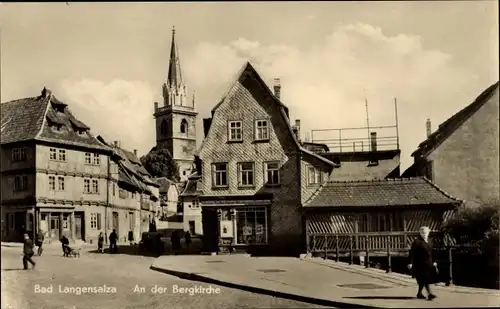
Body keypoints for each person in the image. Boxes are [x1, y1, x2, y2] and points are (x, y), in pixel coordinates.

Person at [408, 226, 438, 300]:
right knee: (425, 278)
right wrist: (410, 263)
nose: (424, 234)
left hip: (429, 263)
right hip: (420, 264)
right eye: (422, 233)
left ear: (428, 232)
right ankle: (430, 294)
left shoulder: (430, 241)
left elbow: (432, 252)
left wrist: (434, 261)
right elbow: (412, 253)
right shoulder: (417, 242)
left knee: (422, 279)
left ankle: (419, 294)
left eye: (425, 233)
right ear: (420, 233)